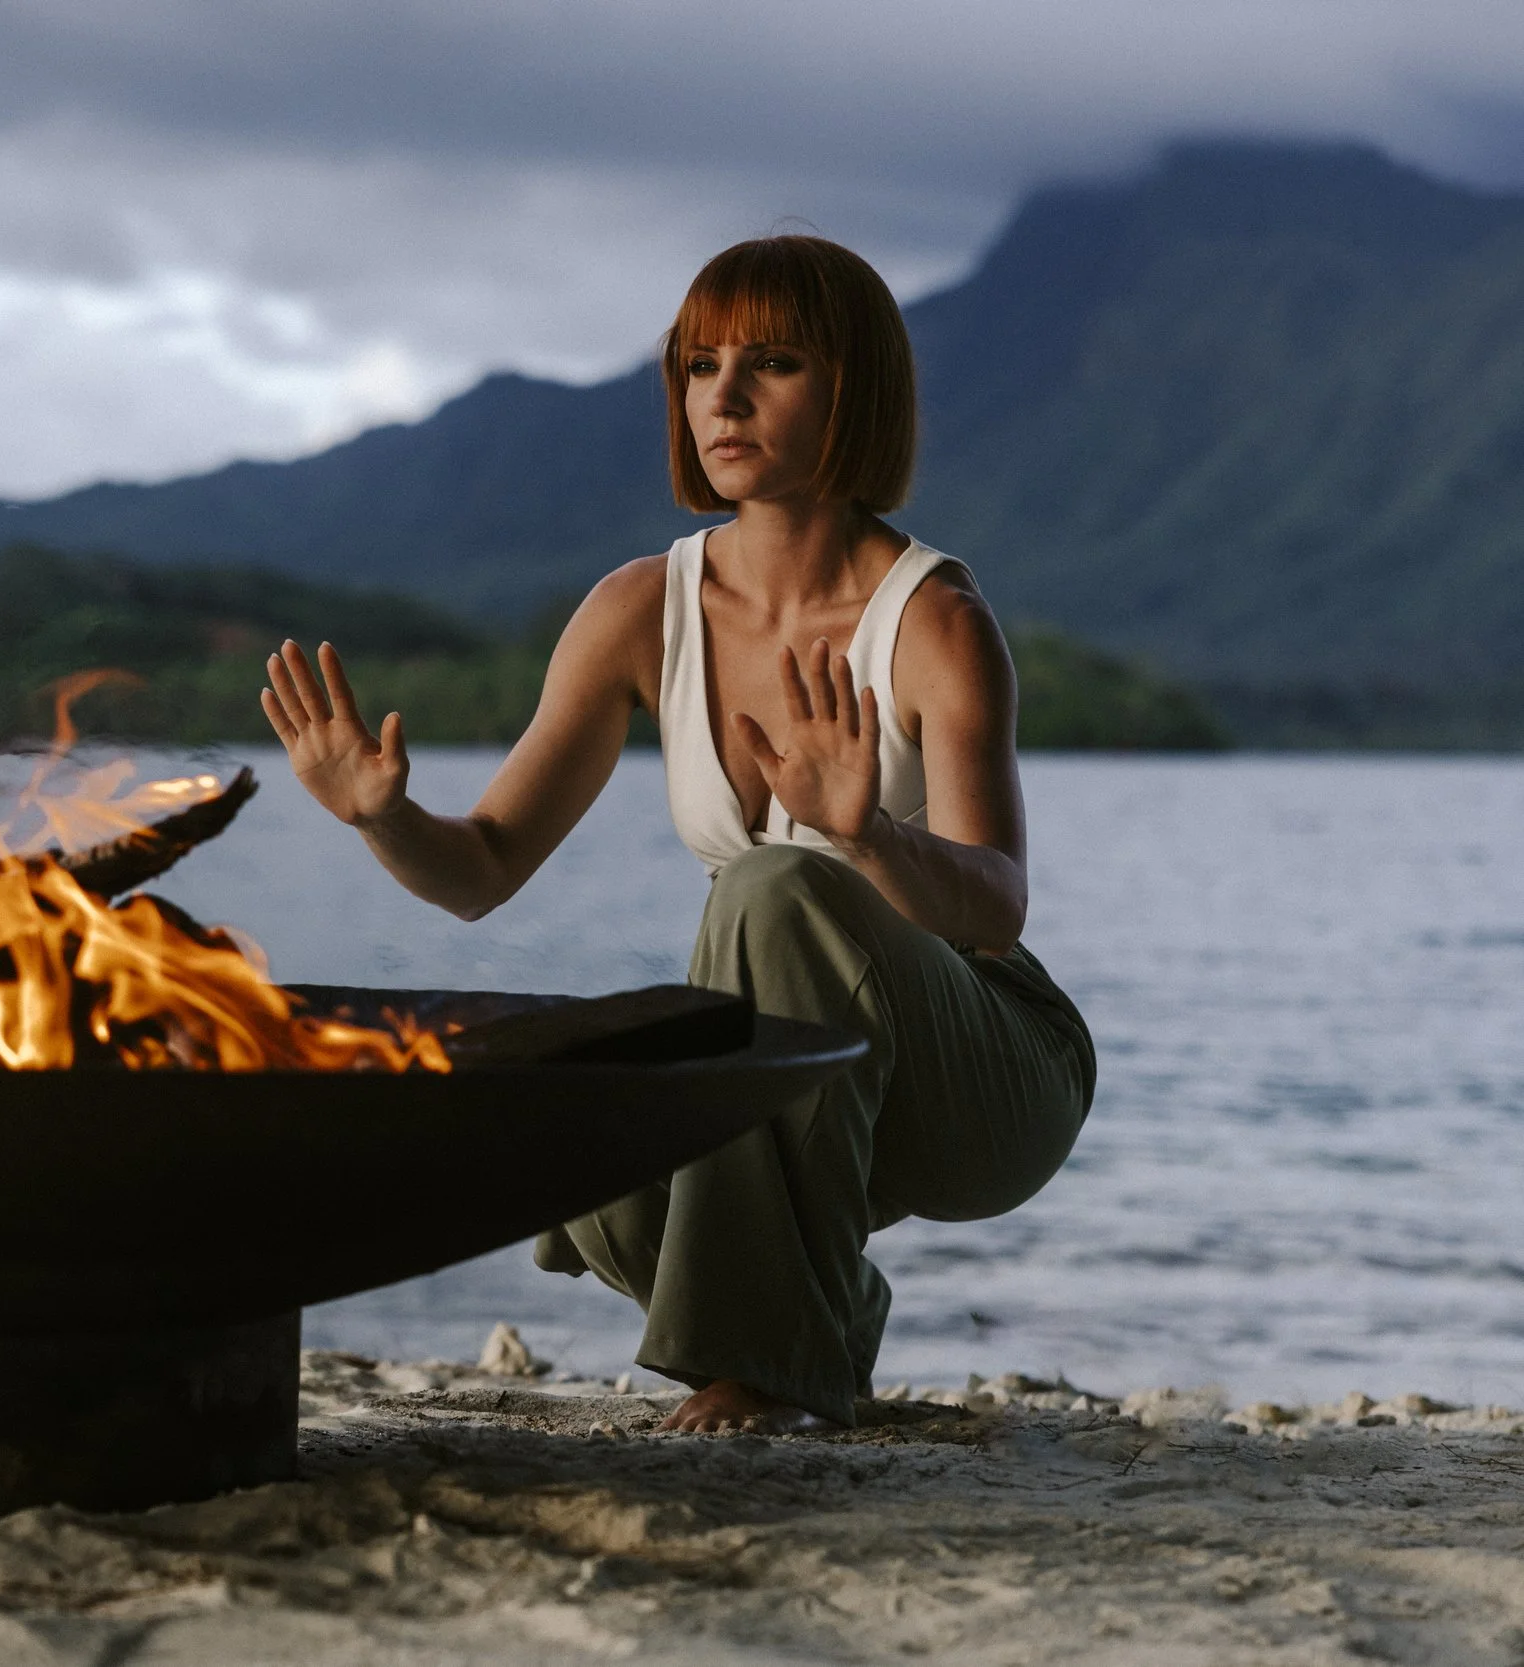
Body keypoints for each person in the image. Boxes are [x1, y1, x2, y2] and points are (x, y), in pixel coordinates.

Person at [259, 235, 1095, 1434]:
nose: (724, 397)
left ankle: (766, 1370)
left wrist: (869, 837)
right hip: (804, 1077)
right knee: (570, 1111)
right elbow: (480, 869)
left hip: (983, 1070)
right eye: (700, 365)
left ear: (852, 388)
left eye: (772, 363)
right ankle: (814, 1317)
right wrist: (382, 816)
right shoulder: (638, 609)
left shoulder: (935, 621)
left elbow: (998, 907)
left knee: (769, 886)